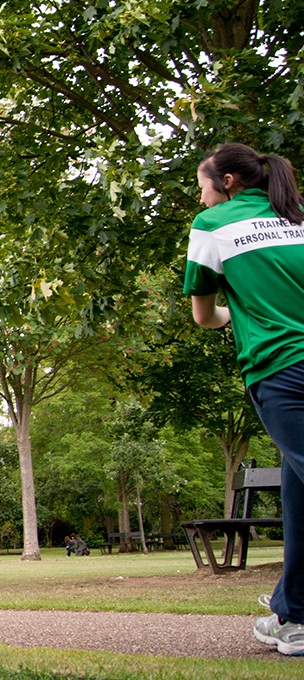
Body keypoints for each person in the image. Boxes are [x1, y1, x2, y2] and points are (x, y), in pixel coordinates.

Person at [184, 142, 304, 656]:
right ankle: (293, 613)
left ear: (227, 182)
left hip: (282, 370)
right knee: (298, 497)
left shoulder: (212, 226)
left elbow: (203, 315)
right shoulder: (296, 218)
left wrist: (241, 315)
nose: (200, 195)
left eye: (202, 185)